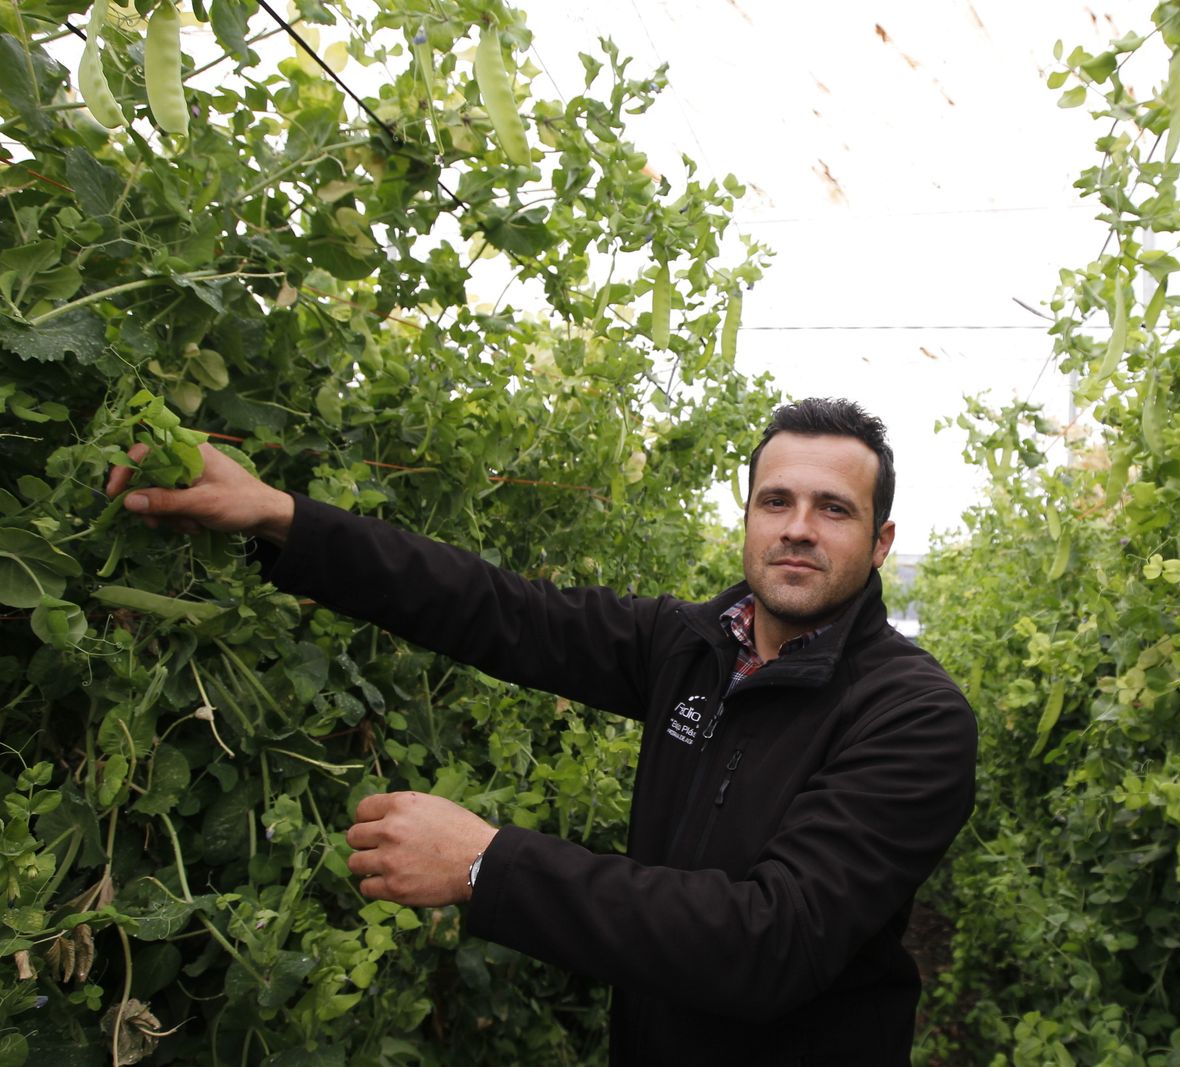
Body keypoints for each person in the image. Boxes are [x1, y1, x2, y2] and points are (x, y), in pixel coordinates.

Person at [107, 398, 977, 1066]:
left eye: (833, 509)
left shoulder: (911, 716)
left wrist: (488, 866)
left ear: (880, 540)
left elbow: (769, 939)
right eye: (775, 500)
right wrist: (282, 517)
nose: (796, 526)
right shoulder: (694, 646)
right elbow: (496, 609)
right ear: (747, 516)